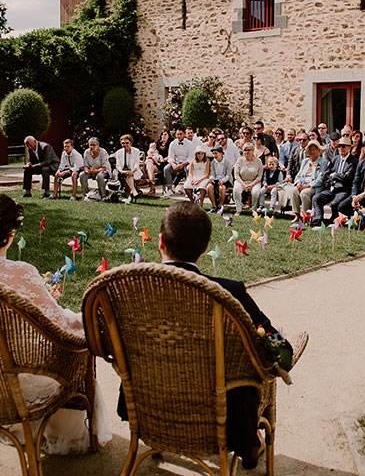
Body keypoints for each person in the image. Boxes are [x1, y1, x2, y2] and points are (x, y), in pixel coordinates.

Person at [112, 201, 296, 469]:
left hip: (148, 403)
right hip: (218, 415)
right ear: (206, 247)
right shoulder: (229, 291)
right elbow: (279, 347)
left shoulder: (126, 289)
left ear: (160, 241)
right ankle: (250, 443)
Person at [0, 193, 112, 454]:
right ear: (12, 232)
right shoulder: (21, 272)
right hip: (17, 381)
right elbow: (58, 323)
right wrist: (87, 323)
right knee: (78, 349)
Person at [311, 136, 357, 226]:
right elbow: (326, 174)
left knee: (335, 202)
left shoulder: (353, 161)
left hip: (344, 190)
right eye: (339, 146)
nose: (340, 148)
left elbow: (347, 178)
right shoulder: (335, 159)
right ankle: (317, 220)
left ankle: (333, 219)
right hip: (332, 188)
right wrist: (335, 177)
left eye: (343, 146)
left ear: (349, 147)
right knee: (316, 198)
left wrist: (335, 175)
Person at [282, 140, 326, 223]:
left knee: (304, 193)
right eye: (311, 150)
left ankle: (306, 217)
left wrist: (307, 186)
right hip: (302, 184)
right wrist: (298, 183)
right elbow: (298, 175)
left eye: (314, 149)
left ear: (319, 151)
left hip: (314, 186)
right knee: (293, 191)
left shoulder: (322, 162)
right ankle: (297, 215)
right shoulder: (305, 161)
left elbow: (320, 179)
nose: (312, 152)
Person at [233, 143, 264, 214]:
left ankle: (254, 210)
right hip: (241, 181)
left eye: (248, 150)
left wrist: (252, 185)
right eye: (244, 150)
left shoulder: (258, 161)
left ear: (253, 151)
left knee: (256, 192)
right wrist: (244, 185)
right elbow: (236, 175)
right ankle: (238, 210)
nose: (246, 152)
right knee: (236, 190)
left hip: (254, 181)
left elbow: (259, 176)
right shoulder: (240, 160)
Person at [112, 134, 143, 199]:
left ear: (131, 143)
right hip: (121, 172)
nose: (125, 145)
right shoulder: (119, 152)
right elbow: (118, 165)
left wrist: (132, 171)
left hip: (133, 171)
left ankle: (128, 197)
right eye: (123, 143)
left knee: (129, 175)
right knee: (127, 175)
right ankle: (133, 192)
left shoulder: (136, 151)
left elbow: (137, 164)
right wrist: (122, 171)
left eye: (127, 143)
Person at [164, 128, 192, 196]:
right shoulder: (172, 144)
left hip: (186, 163)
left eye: (181, 134)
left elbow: (190, 158)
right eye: (177, 134)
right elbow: (170, 157)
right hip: (176, 163)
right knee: (166, 169)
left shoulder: (189, 144)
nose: (179, 136)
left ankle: (188, 189)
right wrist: (173, 164)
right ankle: (170, 189)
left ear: (184, 134)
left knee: (189, 168)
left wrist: (182, 165)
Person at [144, 129, 172, 194]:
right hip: (155, 162)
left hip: (164, 163)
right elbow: (149, 151)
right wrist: (152, 156)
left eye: (165, 134)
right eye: (162, 134)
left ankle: (152, 186)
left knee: (149, 166)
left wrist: (162, 159)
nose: (163, 136)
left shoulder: (170, 145)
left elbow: (170, 156)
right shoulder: (157, 143)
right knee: (149, 162)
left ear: (168, 136)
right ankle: (152, 182)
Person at [206, 146, 232, 212]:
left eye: (216, 153)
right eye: (213, 153)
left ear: (221, 153)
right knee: (209, 187)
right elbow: (212, 174)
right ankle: (214, 206)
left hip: (226, 179)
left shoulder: (227, 162)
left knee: (222, 188)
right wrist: (211, 178)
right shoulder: (213, 163)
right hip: (216, 179)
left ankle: (220, 206)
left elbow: (228, 175)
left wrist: (223, 181)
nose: (214, 155)